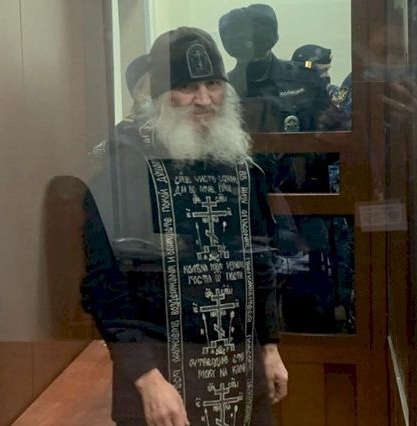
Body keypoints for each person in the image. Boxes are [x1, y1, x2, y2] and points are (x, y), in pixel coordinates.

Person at [81, 27, 288, 426]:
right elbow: (105, 285)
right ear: (161, 94)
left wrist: (270, 346)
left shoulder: (241, 168)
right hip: (159, 380)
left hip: (240, 375)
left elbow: (261, 262)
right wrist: (146, 379)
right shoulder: (126, 171)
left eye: (213, 84)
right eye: (187, 87)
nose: (205, 99)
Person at [218, 4, 331, 133]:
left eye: (258, 37)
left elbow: (331, 133)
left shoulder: (305, 79)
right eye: (242, 39)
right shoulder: (223, 90)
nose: (250, 44)